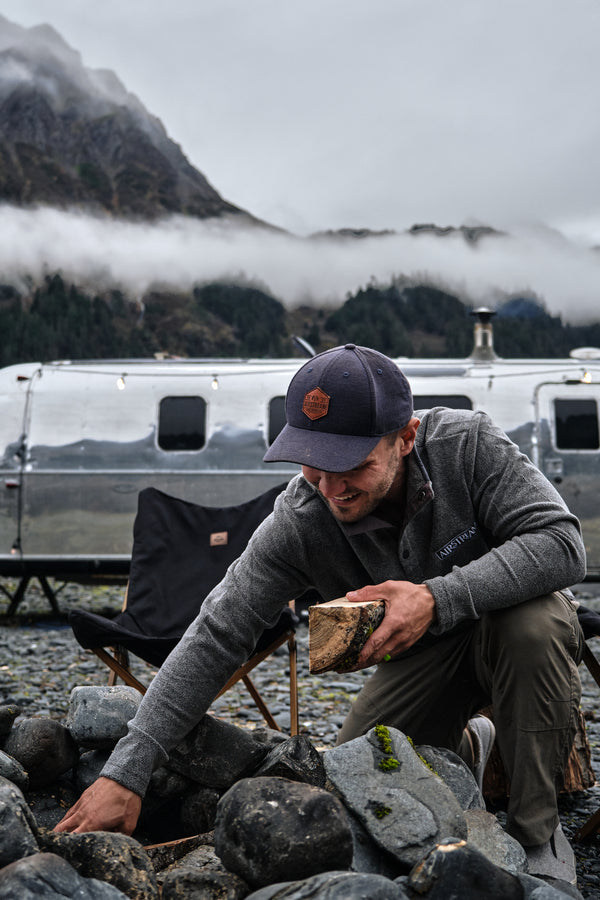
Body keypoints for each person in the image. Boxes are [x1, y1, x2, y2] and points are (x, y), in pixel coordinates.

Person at [56, 344, 585, 885]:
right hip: (422, 663)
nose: (332, 490)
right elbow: (219, 632)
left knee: (533, 623)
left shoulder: (467, 446)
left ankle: (535, 832)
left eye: (353, 466)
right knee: (353, 788)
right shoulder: (302, 518)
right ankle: (469, 746)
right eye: (315, 465)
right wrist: (129, 769)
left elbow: (563, 545)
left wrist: (433, 599)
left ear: (406, 438)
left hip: (513, 627)